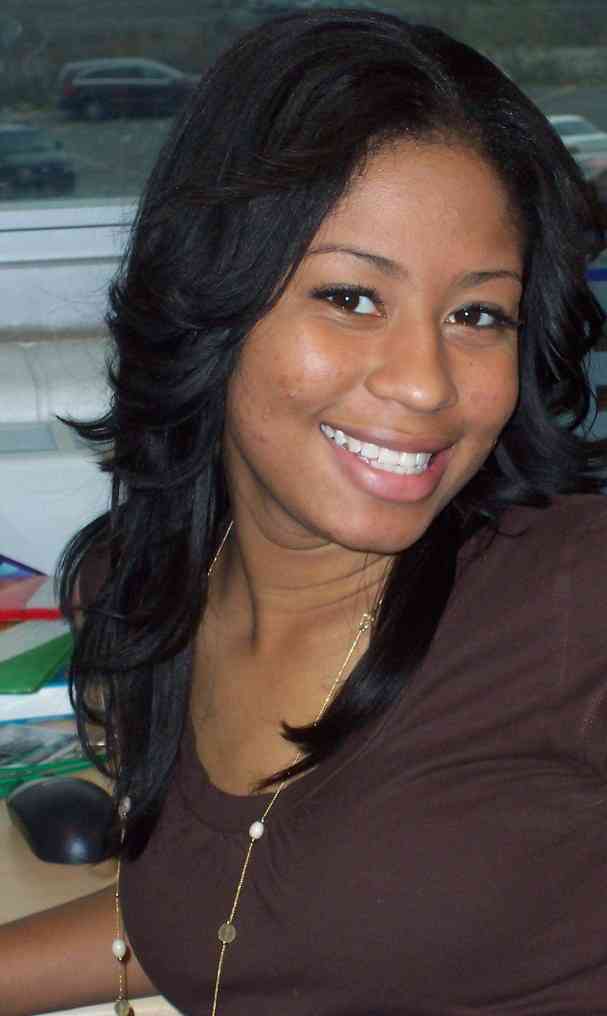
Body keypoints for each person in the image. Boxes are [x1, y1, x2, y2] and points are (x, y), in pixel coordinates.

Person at [2, 7, 607, 1015]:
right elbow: (239, 917)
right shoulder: (146, 594)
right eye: (352, 298)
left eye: (476, 314)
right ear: (213, 299)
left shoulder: (573, 598)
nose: (424, 382)